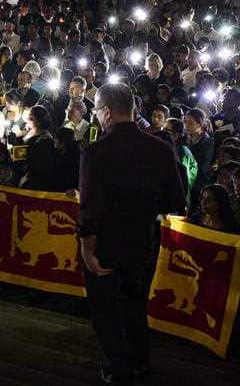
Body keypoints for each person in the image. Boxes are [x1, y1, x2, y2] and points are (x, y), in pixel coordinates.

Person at [78, 83, 185, 385]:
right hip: (143, 240)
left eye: (97, 110)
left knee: (106, 309)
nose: (96, 116)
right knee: (136, 302)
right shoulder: (161, 149)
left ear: (107, 112)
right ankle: (141, 361)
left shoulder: (96, 152)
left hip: (106, 243)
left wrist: (87, 249)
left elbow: (90, 208)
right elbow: (176, 201)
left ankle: (121, 369)